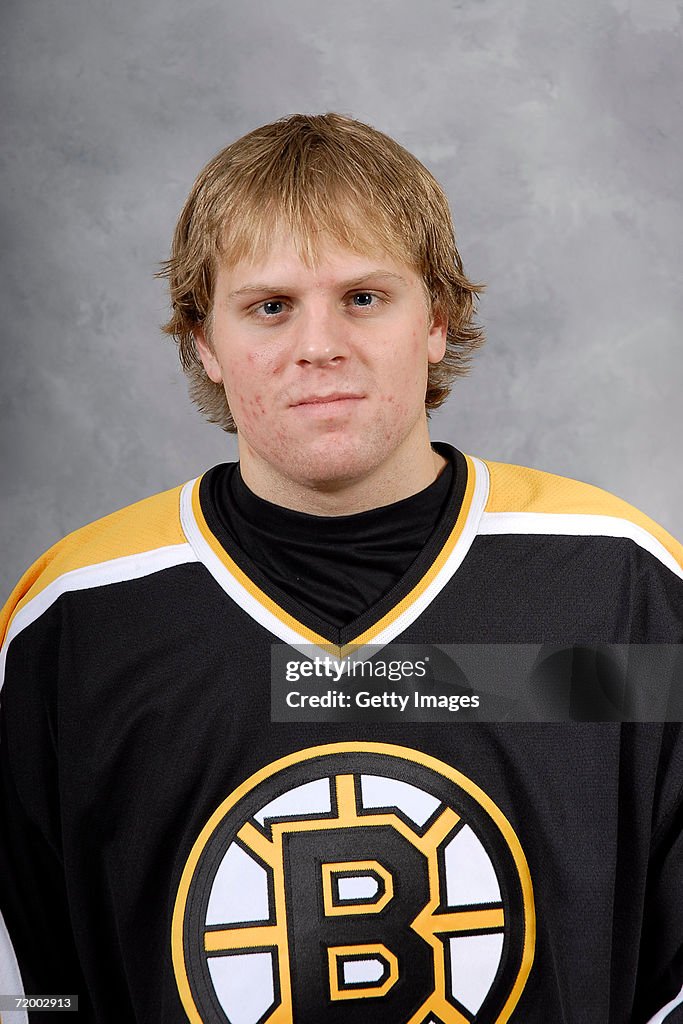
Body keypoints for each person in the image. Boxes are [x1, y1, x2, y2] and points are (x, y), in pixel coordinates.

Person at [0, 113, 681, 1024]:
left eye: (363, 297)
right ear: (204, 339)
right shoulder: (79, 622)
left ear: (436, 318)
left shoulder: (607, 587)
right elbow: (39, 990)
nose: (317, 344)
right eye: (269, 306)